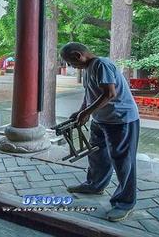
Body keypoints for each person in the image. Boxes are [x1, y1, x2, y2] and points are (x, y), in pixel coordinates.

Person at [59, 42, 140, 222]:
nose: (72, 67)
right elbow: (91, 94)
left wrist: (86, 113)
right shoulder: (88, 69)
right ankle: (95, 185)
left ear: (77, 55)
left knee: (123, 161)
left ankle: (125, 203)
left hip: (121, 119)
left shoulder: (102, 64)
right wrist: (81, 111)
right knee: (97, 155)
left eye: (71, 63)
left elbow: (109, 94)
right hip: (101, 119)